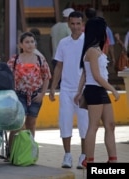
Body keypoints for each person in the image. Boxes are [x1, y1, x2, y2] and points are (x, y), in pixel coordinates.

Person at [74, 17, 119, 167]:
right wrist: (113, 89)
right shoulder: (92, 51)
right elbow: (96, 76)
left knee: (110, 125)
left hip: (99, 90)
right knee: (94, 126)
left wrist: (78, 91)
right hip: (95, 90)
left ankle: (113, 159)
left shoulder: (97, 49)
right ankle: (89, 160)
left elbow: (84, 74)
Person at [49, 11, 88, 169]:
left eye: (78, 24)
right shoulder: (63, 43)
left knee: (84, 124)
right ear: (68, 24)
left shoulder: (88, 42)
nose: (75, 27)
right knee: (65, 122)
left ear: (82, 24)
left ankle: (83, 157)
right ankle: (67, 155)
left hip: (83, 90)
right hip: (65, 89)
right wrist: (53, 87)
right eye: (72, 24)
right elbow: (59, 65)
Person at [7, 32, 51, 152]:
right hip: (19, 95)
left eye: (32, 42)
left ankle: (29, 151)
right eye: (27, 42)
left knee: (31, 123)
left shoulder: (40, 60)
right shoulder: (14, 60)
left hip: (35, 95)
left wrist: (42, 94)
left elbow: (46, 76)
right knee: (18, 124)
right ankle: (11, 151)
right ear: (21, 45)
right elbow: (6, 76)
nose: (30, 45)